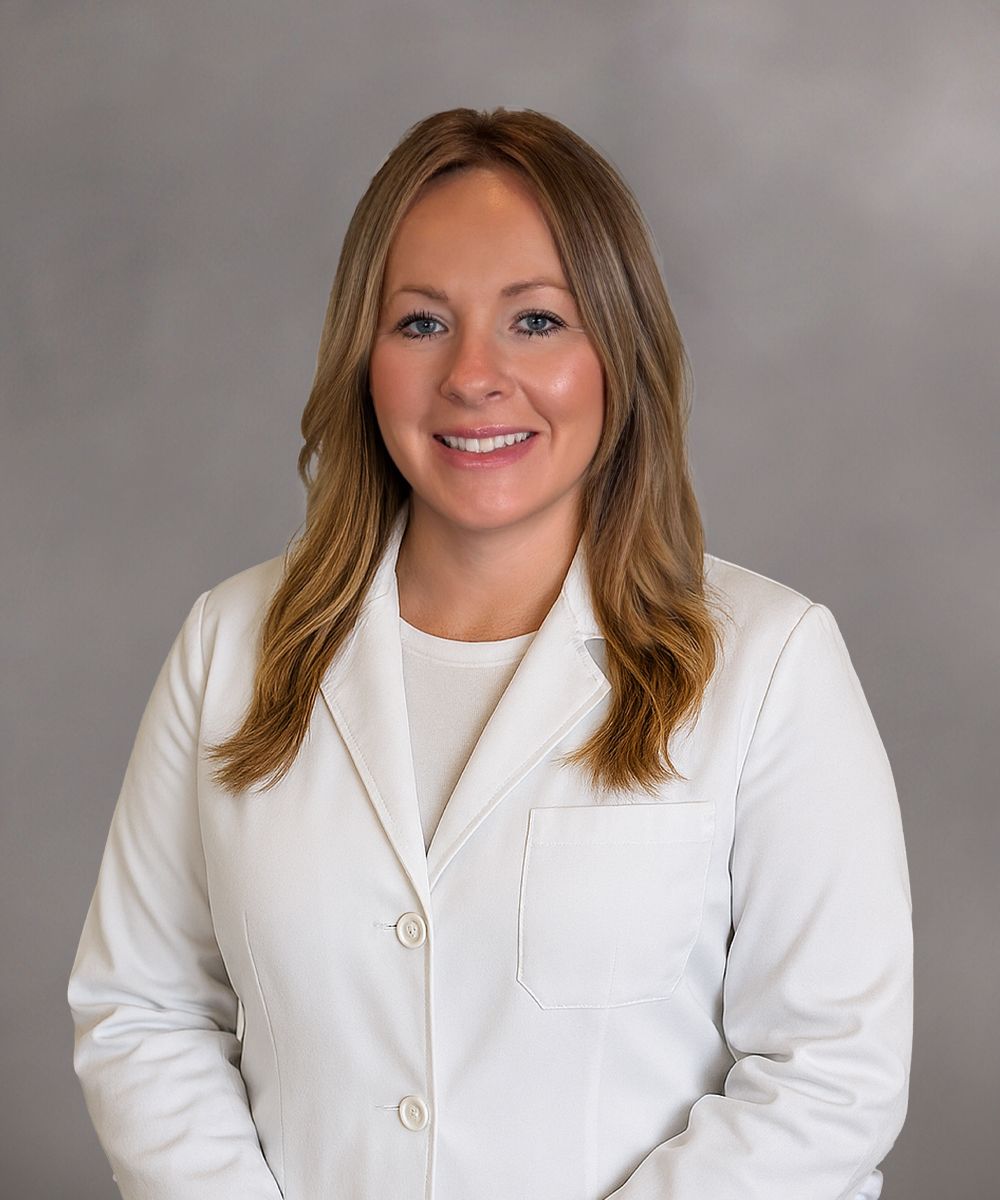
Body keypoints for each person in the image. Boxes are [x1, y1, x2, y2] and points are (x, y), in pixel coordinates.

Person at [68, 108, 912, 1200]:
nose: (473, 375)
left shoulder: (769, 664)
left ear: (619, 351)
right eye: (421, 323)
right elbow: (145, 1011)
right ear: (363, 360)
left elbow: (828, 1075)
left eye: (536, 321)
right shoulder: (228, 646)